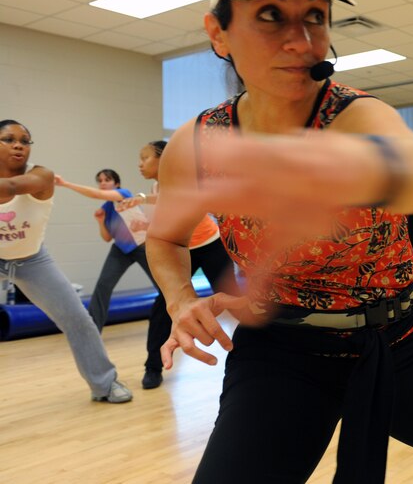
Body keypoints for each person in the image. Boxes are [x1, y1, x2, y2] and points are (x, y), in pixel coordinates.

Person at [144, 0, 413, 484]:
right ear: (219, 32)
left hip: (407, 337)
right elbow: (165, 237)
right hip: (283, 349)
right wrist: (181, 300)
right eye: (271, 15)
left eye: (316, 16)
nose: (302, 40)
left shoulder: (353, 114)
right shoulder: (199, 144)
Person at [0, 120, 132, 404]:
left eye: (24, 140)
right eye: (9, 139)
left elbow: (9, 187)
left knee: (77, 319)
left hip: (31, 259)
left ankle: (105, 385)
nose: (19, 144)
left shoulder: (42, 175)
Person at [117, 140, 236, 389]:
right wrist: (142, 203)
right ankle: (153, 367)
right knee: (163, 307)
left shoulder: (185, 178)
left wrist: (143, 204)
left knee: (235, 301)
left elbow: (175, 204)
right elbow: (165, 205)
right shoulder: (159, 184)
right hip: (183, 251)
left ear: (163, 158)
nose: (140, 164)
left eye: (145, 157)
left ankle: (264, 351)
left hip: (211, 245)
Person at [54, 169, 173, 389]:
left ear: (116, 183)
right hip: (120, 250)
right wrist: (100, 221)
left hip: (141, 246)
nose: (103, 184)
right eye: (99, 181)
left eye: (107, 180)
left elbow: (96, 195)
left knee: (164, 289)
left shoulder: (124, 194)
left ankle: (176, 326)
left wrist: (66, 184)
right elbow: (107, 237)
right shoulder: (106, 208)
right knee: (102, 288)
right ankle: (94, 332)